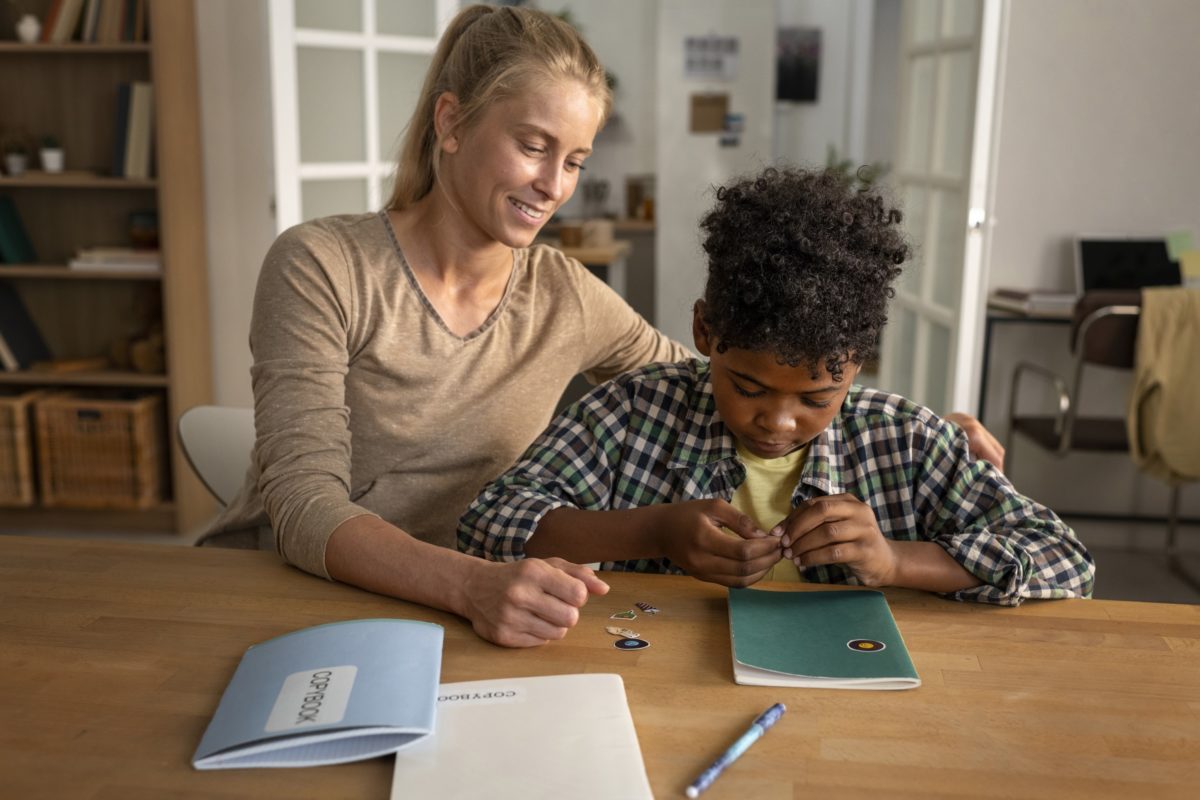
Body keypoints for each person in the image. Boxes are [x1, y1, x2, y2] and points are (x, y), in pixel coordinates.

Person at [206, 5, 1007, 646]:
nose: (554, 185)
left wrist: (922, 427)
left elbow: (716, 377)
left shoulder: (561, 293)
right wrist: (468, 581)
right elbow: (304, 505)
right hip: (290, 595)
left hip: (479, 607)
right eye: (533, 146)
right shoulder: (322, 264)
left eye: (576, 160)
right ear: (451, 124)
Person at [459, 167, 1094, 605]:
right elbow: (488, 523)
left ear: (860, 364)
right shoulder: (631, 415)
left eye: (817, 399)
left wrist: (899, 562)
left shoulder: (906, 443)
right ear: (705, 332)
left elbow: (1065, 560)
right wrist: (652, 532)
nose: (779, 422)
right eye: (749, 387)